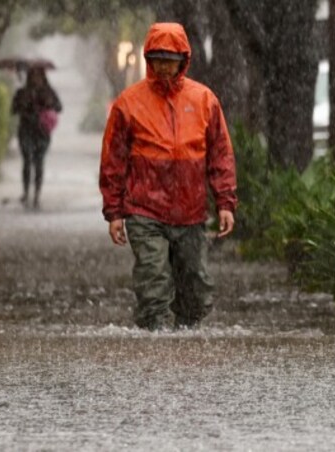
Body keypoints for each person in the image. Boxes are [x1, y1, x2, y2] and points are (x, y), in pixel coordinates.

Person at [99, 22, 238, 331]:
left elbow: (220, 154)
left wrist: (225, 202)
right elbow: (113, 160)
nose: (164, 66)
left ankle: (184, 339)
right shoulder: (128, 104)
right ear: (149, 59)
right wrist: (115, 212)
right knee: (153, 284)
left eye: (170, 59)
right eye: (158, 59)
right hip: (143, 211)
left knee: (196, 289)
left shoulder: (204, 100)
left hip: (190, 212)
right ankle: (155, 343)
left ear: (183, 60)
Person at [11, 67, 62, 209]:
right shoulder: (22, 92)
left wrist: (48, 103)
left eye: (38, 75)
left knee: (39, 162)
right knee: (27, 161)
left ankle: (37, 194)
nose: (35, 78)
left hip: (42, 133)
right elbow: (13, 109)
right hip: (26, 131)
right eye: (33, 75)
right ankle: (26, 192)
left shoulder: (48, 92)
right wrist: (22, 103)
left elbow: (59, 107)